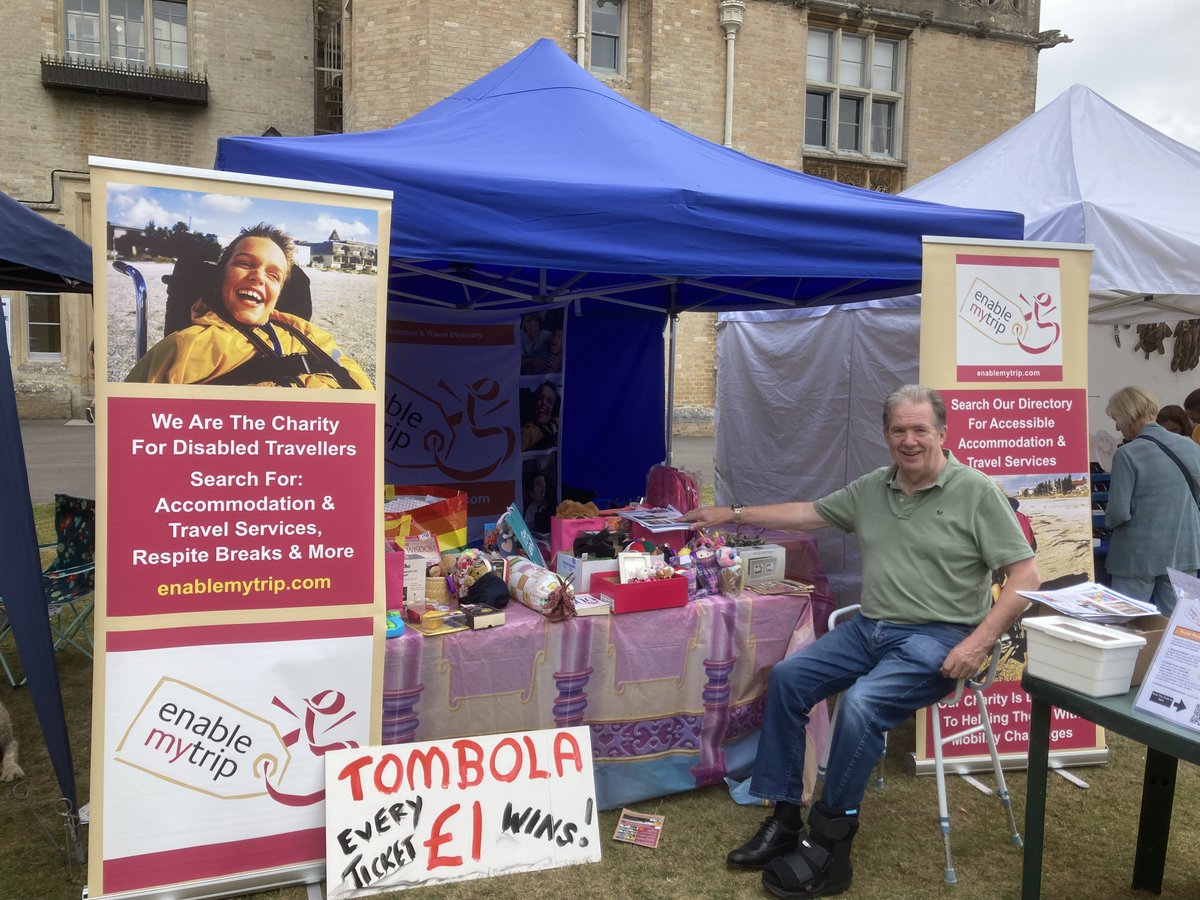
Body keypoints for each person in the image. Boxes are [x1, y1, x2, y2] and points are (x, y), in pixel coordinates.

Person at [681, 384, 1038, 897]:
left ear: (942, 432)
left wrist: (979, 643)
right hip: (871, 627)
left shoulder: (976, 492)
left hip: (941, 636)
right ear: (886, 435)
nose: (909, 440)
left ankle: (830, 844)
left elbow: (1026, 578)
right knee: (788, 677)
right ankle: (785, 820)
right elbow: (808, 513)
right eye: (899, 430)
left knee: (862, 705)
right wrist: (731, 515)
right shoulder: (876, 486)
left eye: (920, 430)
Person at [125, 223, 371, 389]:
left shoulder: (309, 335)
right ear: (222, 276)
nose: (259, 277)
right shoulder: (185, 347)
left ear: (278, 292)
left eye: (274, 275)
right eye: (245, 264)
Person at [1105, 386, 1200, 615]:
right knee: (1178, 630)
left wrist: (1108, 522)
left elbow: (1118, 512)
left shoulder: (1127, 454)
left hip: (1135, 557)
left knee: (1127, 628)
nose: (1117, 426)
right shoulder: (1192, 447)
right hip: (1184, 550)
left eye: (1117, 418)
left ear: (1128, 415)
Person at [520, 381, 560, 451]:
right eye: (541, 398)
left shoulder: (550, 425)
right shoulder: (529, 432)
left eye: (549, 401)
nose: (544, 403)